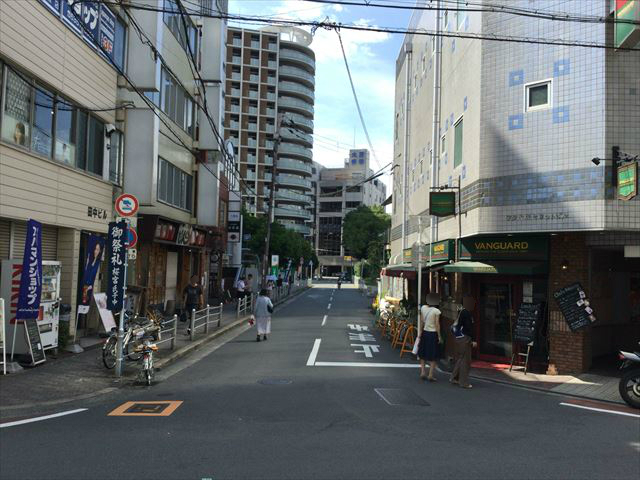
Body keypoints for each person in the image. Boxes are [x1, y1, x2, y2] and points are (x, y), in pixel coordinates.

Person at [450, 295, 477, 389]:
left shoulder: (461, 311)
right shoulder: (466, 313)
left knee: (461, 358)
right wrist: (473, 340)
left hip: (459, 337)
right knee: (466, 360)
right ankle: (463, 382)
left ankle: (454, 377)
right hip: (465, 338)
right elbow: (468, 327)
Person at [418, 293, 443, 382]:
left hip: (425, 333)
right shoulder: (436, 311)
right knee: (433, 354)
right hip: (433, 334)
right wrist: (439, 336)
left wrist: (420, 331)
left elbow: (421, 321)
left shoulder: (423, 308)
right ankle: (430, 375)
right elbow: (437, 324)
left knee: (423, 352)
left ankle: (422, 372)